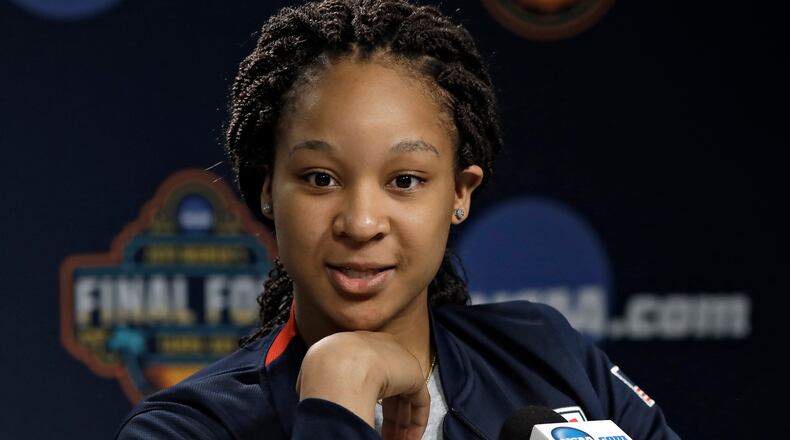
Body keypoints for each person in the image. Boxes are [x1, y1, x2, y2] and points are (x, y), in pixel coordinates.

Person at [116, 0, 680, 439]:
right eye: (320, 178)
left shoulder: (544, 352)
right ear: (268, 189)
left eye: (405, 181)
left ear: (460, 193)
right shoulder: (185, 428)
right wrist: (336, 395)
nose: (362, 223)